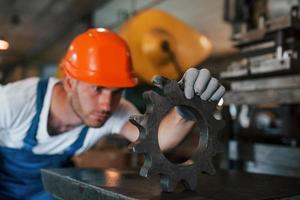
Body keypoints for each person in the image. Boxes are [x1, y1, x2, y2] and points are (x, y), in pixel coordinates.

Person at [0, 28, 225, 200]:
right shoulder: (13, 102)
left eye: (117, 92)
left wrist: (185, 113)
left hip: (47, 191)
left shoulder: (116, 111)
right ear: (69, 82)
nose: (107, 105)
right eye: (97, 89)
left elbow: (157, 140)